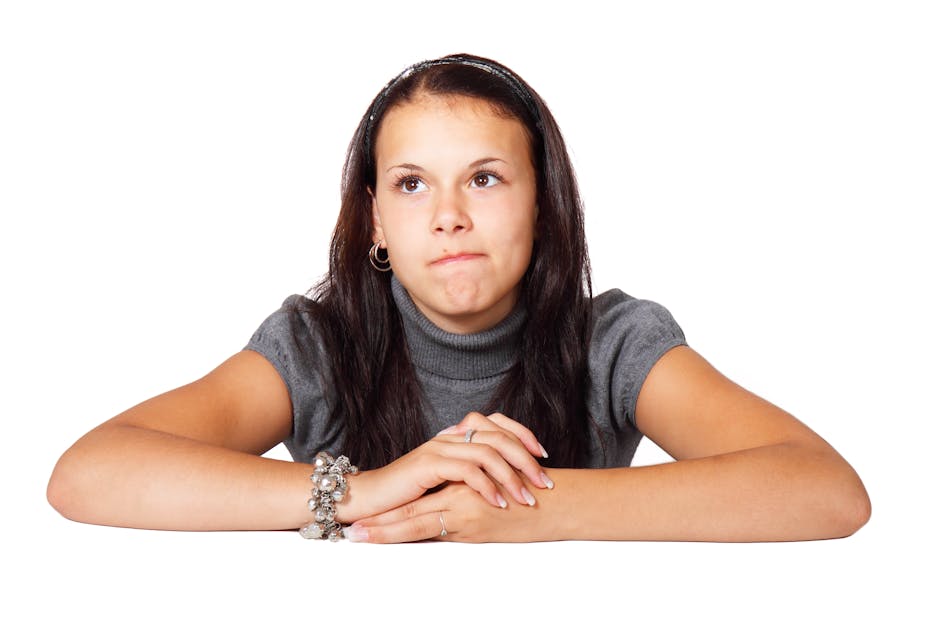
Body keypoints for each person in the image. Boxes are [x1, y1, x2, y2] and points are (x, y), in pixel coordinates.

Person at [47, 53, 870, 543]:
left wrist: (533, 510)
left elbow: (824, 488)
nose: (448, 215)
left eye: (483, 177)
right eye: (411, 184)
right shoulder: (317, 345)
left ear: (542, 204)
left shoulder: (614, 339)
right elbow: (88, 474)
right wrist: (364, 490)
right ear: (375, 219)